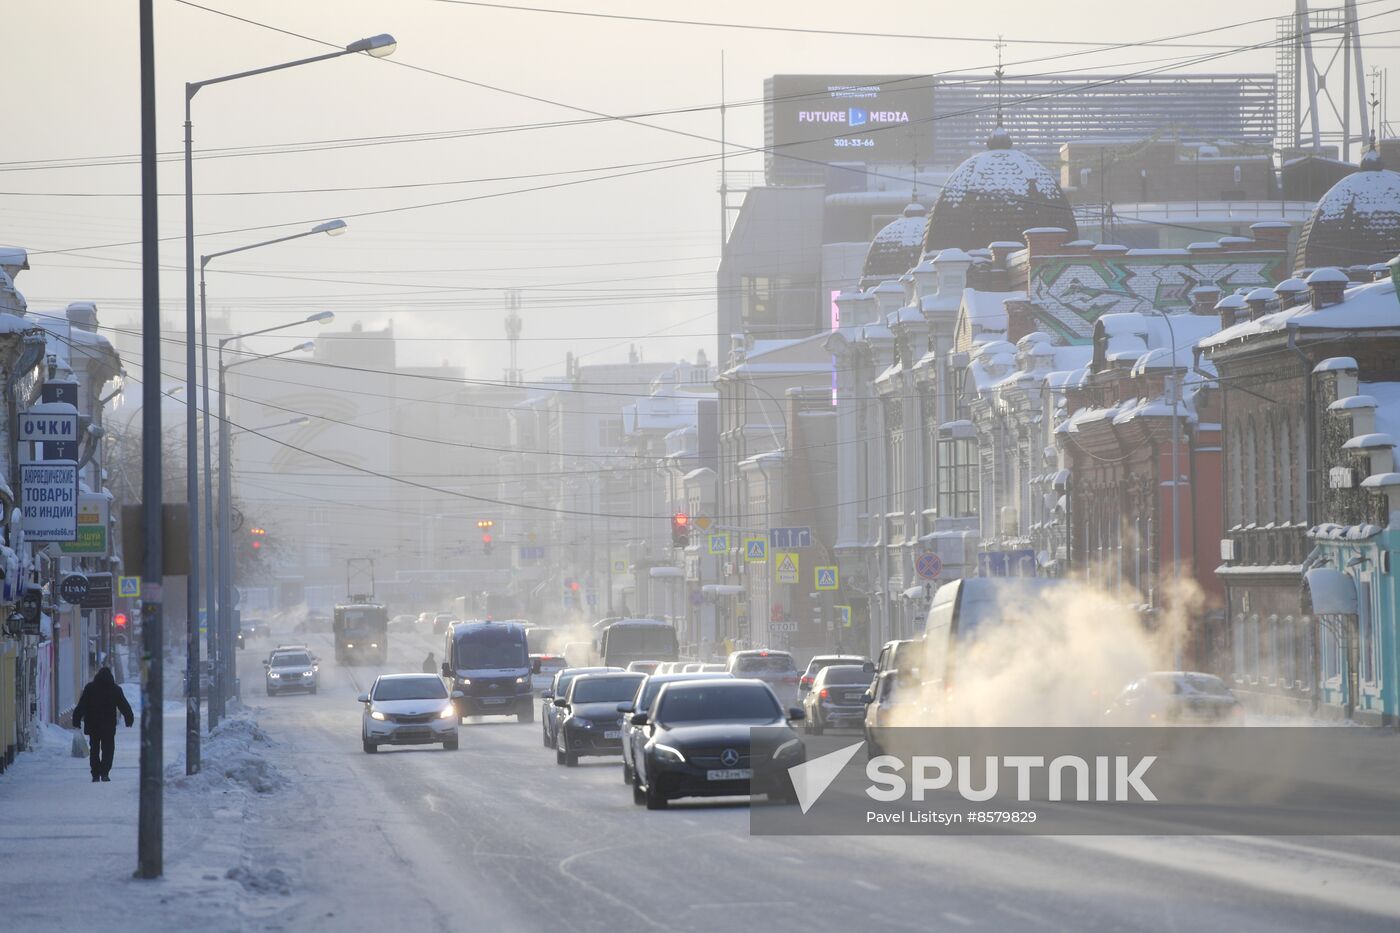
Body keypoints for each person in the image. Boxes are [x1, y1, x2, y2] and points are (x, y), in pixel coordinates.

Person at [71, 667, 134, 783]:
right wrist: (129, 719)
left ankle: (95, 774)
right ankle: (105, 772)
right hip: (108, 726)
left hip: (93, 725)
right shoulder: (115, 689)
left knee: (94, 749)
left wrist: (76, 720)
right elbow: (124, 705)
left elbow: (81, 705)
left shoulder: (90, 688)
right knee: (108, 749)